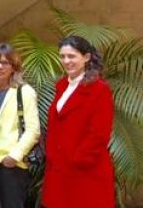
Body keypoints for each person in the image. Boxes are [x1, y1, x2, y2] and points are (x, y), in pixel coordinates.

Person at [42, 35, 114, 208]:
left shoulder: (99, 89)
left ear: (86, 57)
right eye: (63, 56)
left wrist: (79, 159)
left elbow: (99, 133)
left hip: (85, 171)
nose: (66, 61)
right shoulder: (62, 85)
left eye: (72, 56)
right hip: (59, 170)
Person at [0, 43, 39, 208]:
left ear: (14, 67)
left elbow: (33, 130)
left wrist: (14, 156)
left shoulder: (24, 91)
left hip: (10, 163)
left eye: (5, 63)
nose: (0, 67)